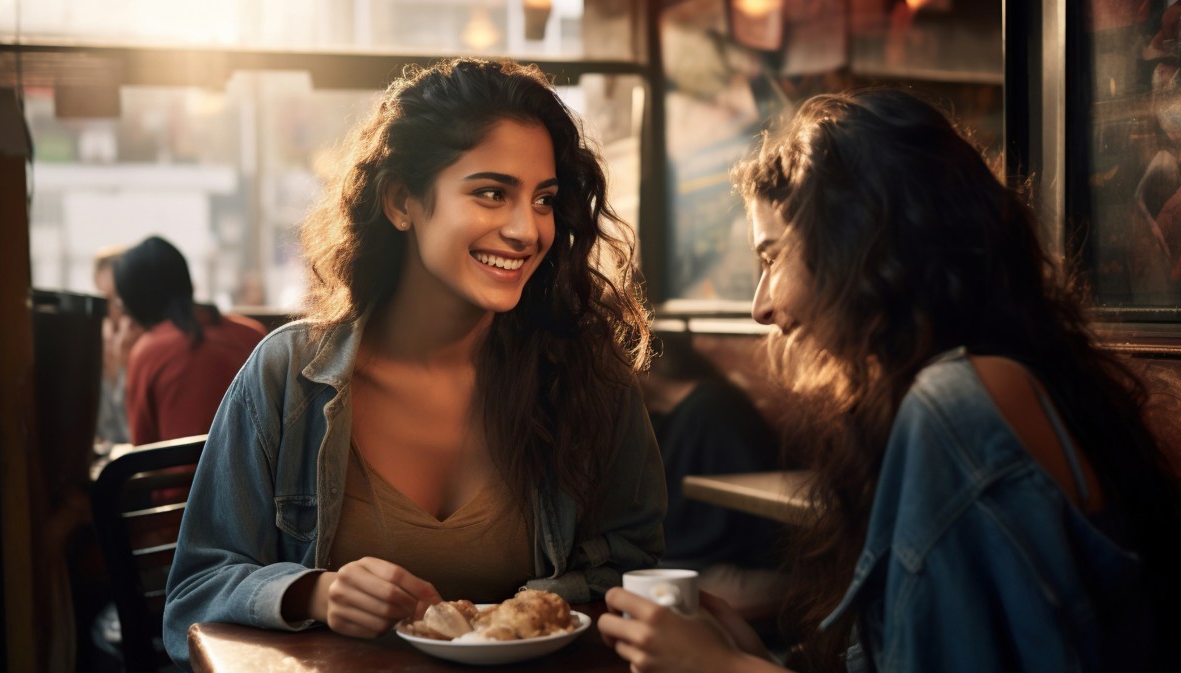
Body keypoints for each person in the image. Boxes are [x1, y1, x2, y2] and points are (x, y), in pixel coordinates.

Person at [598, 89, 1181, 672]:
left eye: (772, 258)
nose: (761, 306)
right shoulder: (997, 378)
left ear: (859, 242)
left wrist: (725, 670)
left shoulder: (958, 403)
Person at [163, 58, 666, 669]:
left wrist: (527, 611)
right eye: (491, 192)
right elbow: (192, 597)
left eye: (544, 200)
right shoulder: (290, 377)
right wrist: (315, 593)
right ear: (402, 201)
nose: (526, 229)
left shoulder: (588, 378)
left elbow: (636, 569)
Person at [639, 329, 786, 620]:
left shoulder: (714, 408)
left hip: (733, 563)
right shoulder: (653, 420)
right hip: (685, 560)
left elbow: (752, 522)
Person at [113, 235, 267, 444]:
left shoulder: (149, 351)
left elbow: (142, 448)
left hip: (179, 478)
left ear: (135, 303)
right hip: (256, 476)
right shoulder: (254, 335)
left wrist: (124, 367)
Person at [92, 245, 142, 445]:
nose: (113, 310)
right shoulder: (97, 341)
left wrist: (122, 371)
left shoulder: (144, 341)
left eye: (117, 299)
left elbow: (131, 436)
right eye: (105, 299)